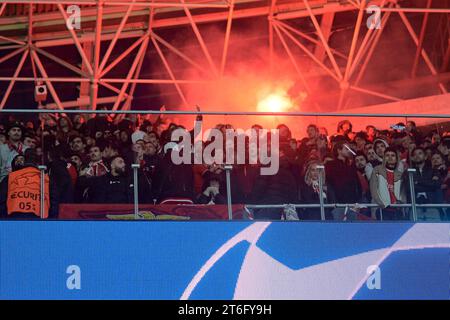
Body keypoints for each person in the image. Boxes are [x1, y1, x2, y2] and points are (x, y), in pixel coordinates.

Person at [325, 141, 361, 220]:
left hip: (352, 203)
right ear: (339, 150)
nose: (349, 151)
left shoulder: (350, 165)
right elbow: (329, 183)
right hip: (337, 204)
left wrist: (357, 199)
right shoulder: (330, 165)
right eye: (346, 149)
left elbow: (356, 183)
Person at [369, 147, 407, 220]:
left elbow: (402, 193)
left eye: (392, 155)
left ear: (396, 159)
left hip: (397, 210)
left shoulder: (400, 174)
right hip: (380, 209)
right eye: (387, 155)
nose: (390, 157)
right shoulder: (377, 170)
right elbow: (373, 190)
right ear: (383, 158)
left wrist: (400, 204)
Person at [408, 147, 443, 220]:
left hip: (433, 205)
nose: (417, 156)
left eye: (420, 153)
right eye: (414, 154)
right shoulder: (409, 172)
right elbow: (409, 187)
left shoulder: (434, 170)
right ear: (412, 158)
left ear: (425, 157)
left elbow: (436, 185)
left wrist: (418, 182)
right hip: (415, 206)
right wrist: (429, 183)